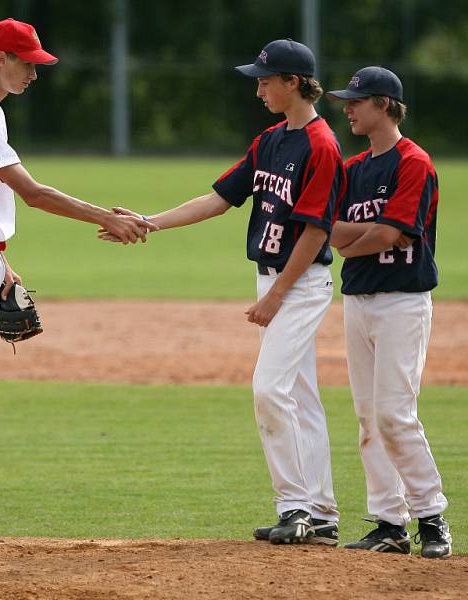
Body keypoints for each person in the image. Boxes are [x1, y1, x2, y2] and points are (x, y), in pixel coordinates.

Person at [0, 17, 156, 538]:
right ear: (0, 59)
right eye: (27, 63)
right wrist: (105, 217)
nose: (34, 74)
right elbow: (33, 193)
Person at [101, 39, 344, 545]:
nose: (258, 89)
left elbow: (318, 232)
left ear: (293, 82)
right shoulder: (271, 140)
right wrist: (150, 222)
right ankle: (320, 513)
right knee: (300, 395)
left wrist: (276, 295)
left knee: (269, 389)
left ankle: (294, 507)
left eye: (265, 79)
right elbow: (218, 199)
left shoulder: (321, 146)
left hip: (297, 283)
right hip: (276, 280)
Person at [327, 67, 452, 559]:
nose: (347, 108)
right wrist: (371, 234)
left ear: (384, 105)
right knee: (367, 417)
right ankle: (388, 523)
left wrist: (361, 238)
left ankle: (431, 515)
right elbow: (330, 229)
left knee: (394, 414)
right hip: (358, 301)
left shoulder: (413, 162)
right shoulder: (354, 169)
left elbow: (392, 234)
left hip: (403, 301)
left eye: (356, 101)